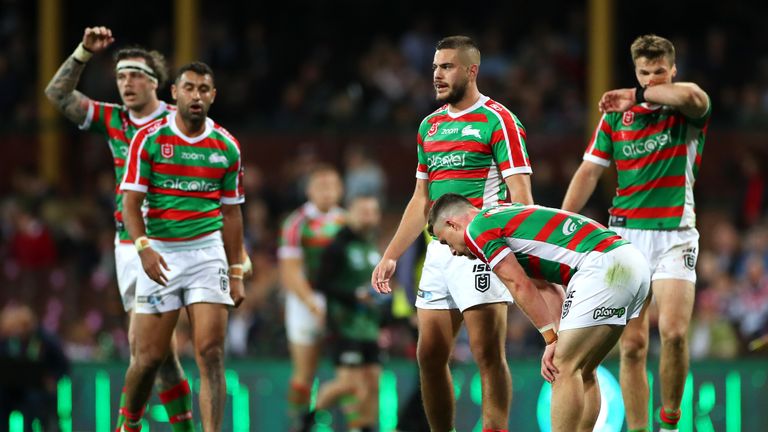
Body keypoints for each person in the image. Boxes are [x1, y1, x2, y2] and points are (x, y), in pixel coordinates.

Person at [372, 35, 549, 432]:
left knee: (488, 354)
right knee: (429, 356)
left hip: (481, 251)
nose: (437, 74)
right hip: (438, 253)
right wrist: (392, 253)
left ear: (472, 71)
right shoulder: (429, 127)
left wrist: (520, 255)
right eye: (435, 66)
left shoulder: (499, 119)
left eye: (447, 66)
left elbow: (521, 196)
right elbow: (421, 200)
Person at [43, 26, 195, 431]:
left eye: (135, 75)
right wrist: (81, 53)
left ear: (156, 83)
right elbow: (56, 95)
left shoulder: (180, 121)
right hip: (126, 244)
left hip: (166, 243)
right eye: (121, 76)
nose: (127, 83)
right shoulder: (112, 120)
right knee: (159, 357)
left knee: (143, 351)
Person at [561, 34, 711, 432]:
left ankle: (671, 421)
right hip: (626, 237)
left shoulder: (685, 112)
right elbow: (590, 171)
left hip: (676, 234)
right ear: (636, 70)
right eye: (644, 73)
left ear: (672, 69)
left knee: (675, 334)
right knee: (631, 346)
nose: (652, 79)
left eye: (659, 72)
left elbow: (696, 97)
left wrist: (640, 93)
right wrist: (560, 223)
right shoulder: (616, 116)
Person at [428, 193, 650, 431]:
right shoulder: (505, 213)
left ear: (453, 223)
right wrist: (556, 336)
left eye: (445, 241)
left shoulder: (476, 230)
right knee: (583, 368)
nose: (451, 251)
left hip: (604, 267)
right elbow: (545, 285)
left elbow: (518, 284)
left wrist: (550, 340)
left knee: (561, 367)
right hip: (631, 262)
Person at [118, 61, 245, 432]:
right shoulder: (151, 139)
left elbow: (233, 214)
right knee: (149, 357)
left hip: (207, 253)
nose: (196, 95)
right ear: (174, 93)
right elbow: (130, 203)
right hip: (161, 252)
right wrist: (143, 248)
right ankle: (129, 425)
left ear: (213, 96)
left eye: (204, 89)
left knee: (211, 352)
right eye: (189, 88)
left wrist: (236, 270)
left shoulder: (226, 146)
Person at [299, 195, 384, 432]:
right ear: (351, 214)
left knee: (373, 382)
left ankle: (365, 428)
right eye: (363, 211)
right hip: (343, 324)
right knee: (349, 385)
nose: (369, 217)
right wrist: (354, 296)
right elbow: (322, 283)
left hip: (369, 325)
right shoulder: (338, 246)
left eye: (373, 211)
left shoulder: (372, 245)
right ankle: (307, 420)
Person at [277, 165, 345, 426]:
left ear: (340, 190)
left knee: (349, 373)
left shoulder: (346, 221)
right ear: (309, 190)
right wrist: (313, 303)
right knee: (304, 374)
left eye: (332, 186)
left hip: (338, 302)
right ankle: (298, 424)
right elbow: (289, 272)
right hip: (305, 303)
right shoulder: (296, 223)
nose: (327, 192)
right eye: (321, 186)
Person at [0, 304, 69, 432]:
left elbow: (63, 365)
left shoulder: (45, 340)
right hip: (13, 389)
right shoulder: (7, 341)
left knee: (32, 399)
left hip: (38, 390)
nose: (17, 332)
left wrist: (52, 378)